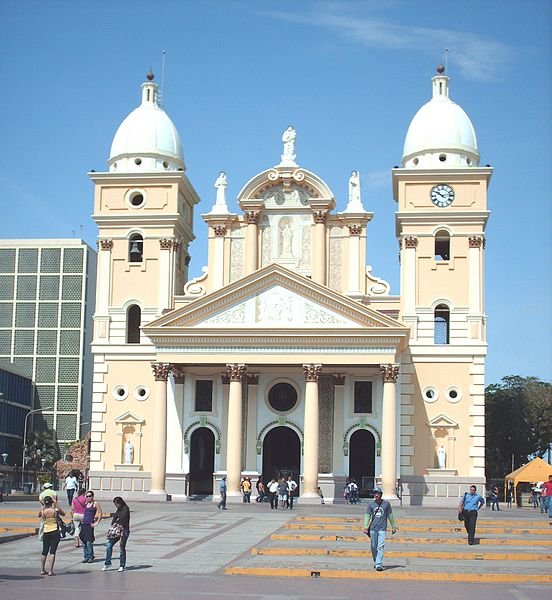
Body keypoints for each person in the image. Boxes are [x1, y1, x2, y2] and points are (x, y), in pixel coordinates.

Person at [363, 488, 396, 571]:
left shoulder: (386, 504)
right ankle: (376, 560)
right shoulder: (371, 505)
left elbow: (390, 515)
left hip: (382, 528)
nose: (376, 495)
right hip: (373, 529)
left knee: (380, 546)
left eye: (377, 493)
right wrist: (365, 526)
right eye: (375, 493)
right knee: (373, 546)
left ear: (381, 494)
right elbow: (367, 516)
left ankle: (379, 564)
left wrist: (393, 526)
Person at [38, 495, 65, 576]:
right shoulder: (55, 511)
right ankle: (50, 571)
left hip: (46, 532)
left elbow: (39, 515)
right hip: (54, 531)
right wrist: (56, 504)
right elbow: (63, 513)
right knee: (52, 551)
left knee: (44, 551)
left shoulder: (42, 511)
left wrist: (43, 507)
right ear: (51, 502)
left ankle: (42, 570)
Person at [103, 496, 130, 572]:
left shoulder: (126, 508)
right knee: (109, 545)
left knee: (122, 547)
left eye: (116, 504)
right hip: (116, 531)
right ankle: (107, 563)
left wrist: (116, 520)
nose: (116, 505)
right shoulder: (118, 509)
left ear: (120, 503)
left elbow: (122, 518)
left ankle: (122, 565)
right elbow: (115, 517)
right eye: (115, 504)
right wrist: (112, 526)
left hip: (124, 531)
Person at [80, 490, 102, 563]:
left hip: (90, 524)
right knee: (83, 540)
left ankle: (90, 556)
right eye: (87, 496)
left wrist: (96, 522)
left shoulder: (95, 503)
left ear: (92, 496)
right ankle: (86, 556)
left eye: (90, 496)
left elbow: (100, 513)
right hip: (84, 524)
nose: (88, 497)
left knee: (89, 541)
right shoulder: (86, 503)